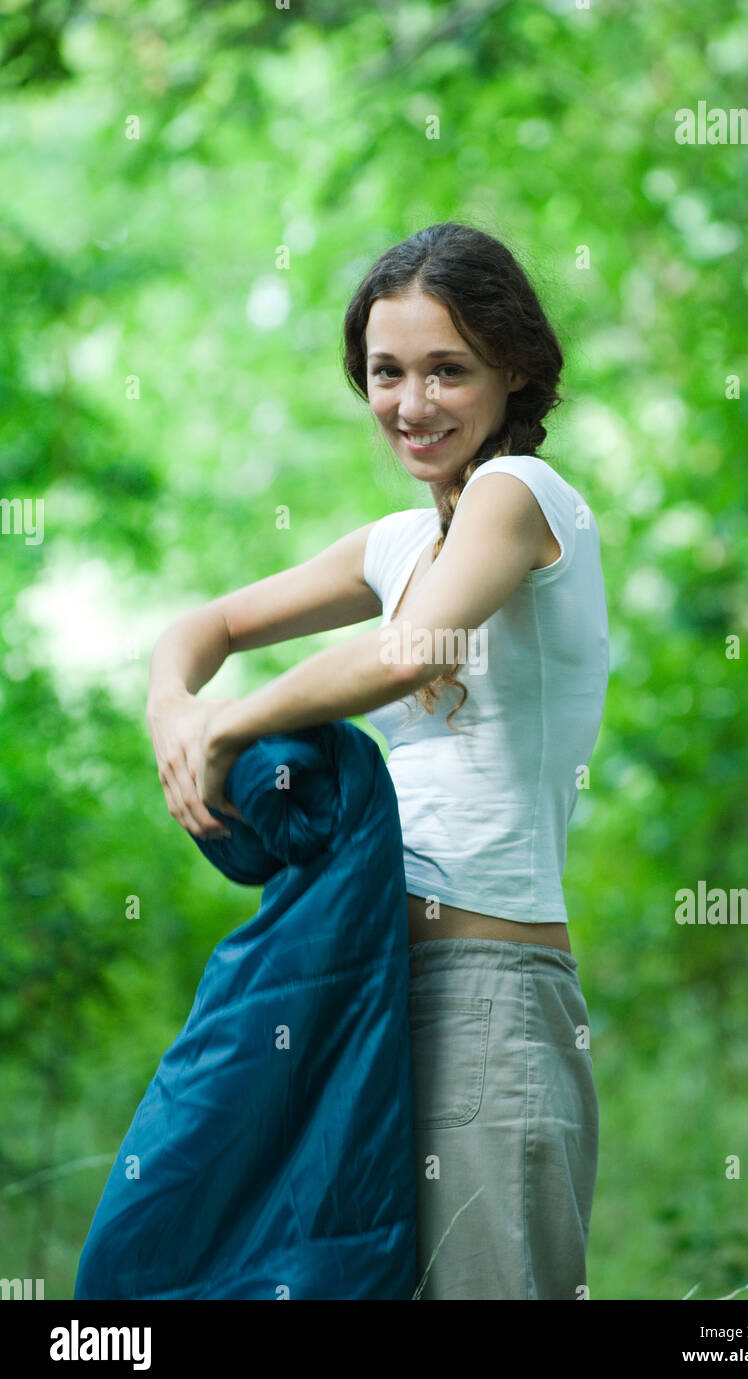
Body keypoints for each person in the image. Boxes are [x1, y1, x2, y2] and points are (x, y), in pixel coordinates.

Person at [147, 221, 609, 1300]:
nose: (412, 402)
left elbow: (412, 651)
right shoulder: (398, 543)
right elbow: (202, 624)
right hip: (356, 986)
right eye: (386, 371)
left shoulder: (524, 496)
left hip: (486, 997)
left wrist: (231, 725)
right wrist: (177, 708)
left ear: (516, 369)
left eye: (447, 369)